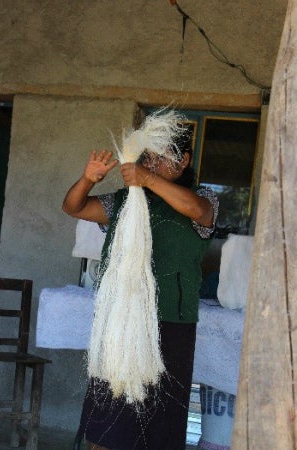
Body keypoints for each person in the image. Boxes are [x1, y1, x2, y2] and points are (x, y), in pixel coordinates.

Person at [63, 130, 218, 450]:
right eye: (148, 157)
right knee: (109, 419)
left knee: (159, 419)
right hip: (120, 321)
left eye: (162, 157)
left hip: (171, 322)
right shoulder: (124, 200)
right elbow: (75, 207)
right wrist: (88, 179)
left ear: (184, 160)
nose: (152, 163)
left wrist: (147, 178)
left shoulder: (201, 197)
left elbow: (199, 212)